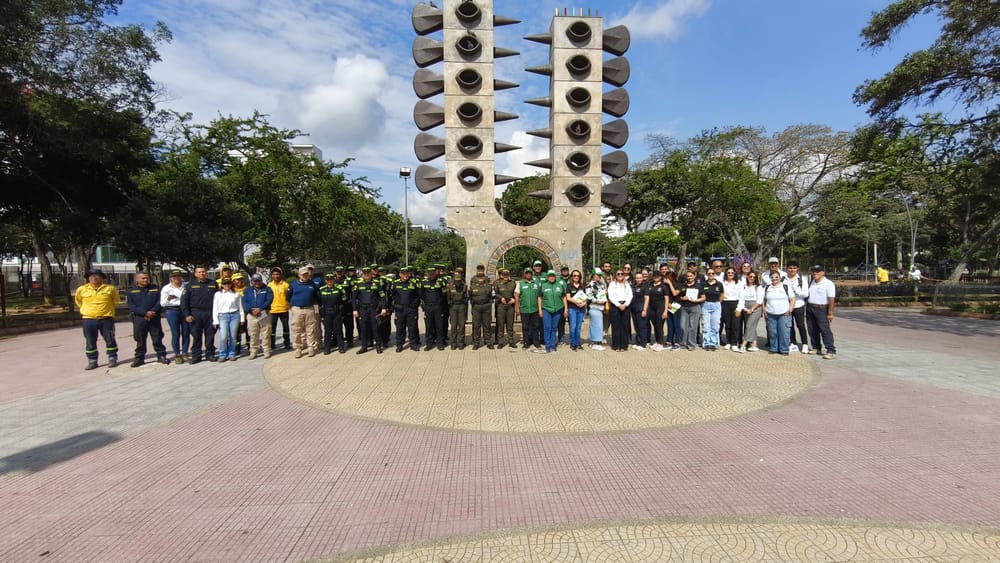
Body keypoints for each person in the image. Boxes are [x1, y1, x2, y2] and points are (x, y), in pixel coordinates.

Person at [75, 268, 120, 370]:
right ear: (88, 278)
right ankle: (92, 361)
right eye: (91, 276)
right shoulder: (81, 289)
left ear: (101, 277)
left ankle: (112, 358)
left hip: (106, 319)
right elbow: (79, 302)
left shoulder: (110, 289)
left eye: (96, 275)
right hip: (88, 320)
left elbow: (116, 301)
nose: (94, 278)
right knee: (90, 341)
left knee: (110, 339)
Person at [125, 271, 168, 367]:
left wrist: (153, 312)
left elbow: (160, 302)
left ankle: (161, 356)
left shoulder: (155, 288)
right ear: (137, 279)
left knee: (157, 338)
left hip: (154, 317)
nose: (145, 280)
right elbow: (132, 306)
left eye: (147, 278)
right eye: (143, 278)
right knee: (140, 339)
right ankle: (139, 359)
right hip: (140, 318)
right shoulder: (130, 290)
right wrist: (145, 313)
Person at [181, 266, 218, 363]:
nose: (202, 273)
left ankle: (210, 354)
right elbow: (184, 302)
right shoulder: (189, 285)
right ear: (195, 274)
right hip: (195, 314)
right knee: (196, 335)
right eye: (200, 272)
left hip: (210, 313)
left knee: (210, 335)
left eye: (204, 271)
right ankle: (196, 356)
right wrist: (187, 315)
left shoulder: (213, 284)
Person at [288, 266, 320, 358]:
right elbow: (288, 297)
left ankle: (311, 347)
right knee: (297, 329)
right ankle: (298, 348)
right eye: (303, 274)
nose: (305, 276)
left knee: (310, 329)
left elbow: (316, 296)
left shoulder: (312, 284)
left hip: (309, 308)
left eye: (307, 274)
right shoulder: (293, 285)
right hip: (297, 309)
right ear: (299, 275)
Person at [353, 267, 387, 354]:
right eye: (365, 273)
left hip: (373, 309)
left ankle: (378, 346)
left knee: (376, 328)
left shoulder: (376, 283)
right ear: (363, 274)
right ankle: (364, 347)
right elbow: (354, 298)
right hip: (363, 310)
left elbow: (382, 296)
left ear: (371, 274)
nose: (366, 275)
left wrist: (383, 308)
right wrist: (355, 310)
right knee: (363, 328)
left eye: (368, 273)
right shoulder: (358, 284)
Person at [807, 265, 837, 359]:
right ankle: (816, 347)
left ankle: (830, 350)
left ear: (823, 272)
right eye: (814, 271)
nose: (815, 273)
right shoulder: (812, 282)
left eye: (818, 271)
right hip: (811, 307)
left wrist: (830, 313)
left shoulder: (828, 283)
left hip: (822, 309)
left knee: (824, 330)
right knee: (812, 329)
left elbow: (831, 299)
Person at [160, 270, 190, 364]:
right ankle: (177, 354)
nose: (177, 278)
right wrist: (168, 298)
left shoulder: (186, 286)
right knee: (175, 333)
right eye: (174, 276)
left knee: (186, 332)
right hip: (172, 310)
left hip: (185, 310)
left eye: (178, 276)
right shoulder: (166, 288)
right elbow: (162, 303)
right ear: (171, 278)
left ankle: (185, 353)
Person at [763, 270, 795, 355]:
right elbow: (764, 300)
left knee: (784, 333)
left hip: (784, 314)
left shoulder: (785, 286)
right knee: (772, 332)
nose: (774, 279)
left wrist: (790, 309)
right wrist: (764, 309)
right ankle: (774, 348)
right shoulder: (767, 287)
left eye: (776, 277)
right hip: (771, 314)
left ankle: (784, 349)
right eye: (772, 277)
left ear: (780, 278)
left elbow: (792, 299)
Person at [242, 273, 274, 359]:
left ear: (261, 281)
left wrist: (260, 309)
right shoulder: (247, 290)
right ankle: (254, 351)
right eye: (254, 281)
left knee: (266, 333)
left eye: (258, 281)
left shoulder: (267, 289)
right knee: (253, 334)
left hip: (263, 313)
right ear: (252, 281)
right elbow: (244, 302)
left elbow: (269, 300)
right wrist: (251, 310)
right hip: (251, 315)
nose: (257, 283)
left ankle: (266, 350)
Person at [212, 277, 244, 361]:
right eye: (225, 283)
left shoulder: (236, 294)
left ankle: (231, 353)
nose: (227, 285)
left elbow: (240, 307)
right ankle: (222, 354)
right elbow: (215, 308)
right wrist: (215, 320)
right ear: (222, 285)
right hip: (222, 316)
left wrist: (242, 318)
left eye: (229, 283)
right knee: (223, 336)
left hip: (235, 315)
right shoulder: (218, 294)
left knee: (233, 336)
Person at [391, 266, 422, 352]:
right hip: (400, 309)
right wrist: (395, 304)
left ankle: (413, 344)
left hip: (411, 309)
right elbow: (392, 295)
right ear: (400, 274)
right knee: (400, 328)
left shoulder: (414, 283)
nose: (405, 275)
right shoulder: (395, 283)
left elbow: (418, 295)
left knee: (412, 327)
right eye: (403, 274)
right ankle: (399, 345)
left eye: (407, 273)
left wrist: (415, 304)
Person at [318, 272, 347, 354]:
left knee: (338, 330)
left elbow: (344, 299)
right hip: (327, 313)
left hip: (337, 312)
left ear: (334, 280)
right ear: (326, 281)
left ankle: (341, 347)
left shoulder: (339, 288)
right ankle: (327, 348)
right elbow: (319, 301)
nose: (329, 281)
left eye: (331, 279)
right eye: (328, 280)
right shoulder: (321, 289)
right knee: (327, 331)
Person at [538, 270, 567, 353]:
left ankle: (552, 345)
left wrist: (565, 309)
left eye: (553, 276)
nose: (551, 277)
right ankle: (547, 345)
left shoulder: (560, 285)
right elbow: (539, 298)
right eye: (550, 276)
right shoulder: (543, 286)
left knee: (554, 328)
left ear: (555, 276)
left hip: (557, 310)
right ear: (547, 277)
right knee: (547, 327)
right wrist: (540, 309)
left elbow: (564, 297)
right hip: (546, 309)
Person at [785, 262, 810, 353]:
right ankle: (793, 343)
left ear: (797, 269)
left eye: (794, 268)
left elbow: (806, 294)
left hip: (799, 305)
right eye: (790, 268)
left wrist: (796, 290)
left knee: (800, 325)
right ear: (787, 268)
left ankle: (805, 344)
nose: (792, 270)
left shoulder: (802, 279)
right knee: (789, 325)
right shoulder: (784, 278)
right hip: (787, 306)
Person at [736, 271, 764, 352]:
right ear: (747, 277)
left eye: (753, 277)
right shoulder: (744, 287)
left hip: (755, 307)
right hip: (746, 306)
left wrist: (752, 309)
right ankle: (754, 344)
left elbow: (759, 301)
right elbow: (741, 298)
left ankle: (743, 345)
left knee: (749, 326)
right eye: (750, 276)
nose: (751, 278)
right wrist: (744, 308)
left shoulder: (758, 287)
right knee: (752, 326)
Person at [606, 269, 633, 351]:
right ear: (615, 275)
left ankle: (624, 345)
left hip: (625, 306)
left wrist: (625, 304)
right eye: (618, 274)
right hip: (615, 306)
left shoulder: (627, 284)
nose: (620, 275)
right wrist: (618, 305)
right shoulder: (612, 284)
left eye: (622, 274)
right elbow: (610, 296)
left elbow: (630, 295)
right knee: (616, 326)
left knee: (625, 326)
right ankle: (616, 345)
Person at [515, 267, 541, 349]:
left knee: (536, 326)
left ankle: (536, 342)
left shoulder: (537, 283)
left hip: (535, 309)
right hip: (524, 309)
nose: (528, 274)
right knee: (525, 326)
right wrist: (517, 308)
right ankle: (526, 342)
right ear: (524, 274)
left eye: (530, 273)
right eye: (527, 273)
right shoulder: (520, 283)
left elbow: (540, 297)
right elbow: (517, 297)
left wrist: (540, 308)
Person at [678, 271, 705, 351]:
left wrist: (696, 300)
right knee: (683, 326)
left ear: (694, 276)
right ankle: (683, 343)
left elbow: (703, 297)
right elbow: (679, 296)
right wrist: (682, 298)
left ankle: (691, 344)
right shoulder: (683, 285)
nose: (689, 277)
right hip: (684, 308)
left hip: (695, 307)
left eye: (691, 276)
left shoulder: (698, 286)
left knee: (692, 327)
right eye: (688, 276)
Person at [469, 266, 494, 350]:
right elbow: (470, 296)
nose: (480, 278)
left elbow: (491, 295)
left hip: (486, 307)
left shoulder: (488, 286)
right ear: (476, 277)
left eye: (481, 277)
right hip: (476, 307)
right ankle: (476, 342)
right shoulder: (472, 286)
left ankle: (488, 342)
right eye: (479, 277)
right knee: (476, 326)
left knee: (487, 325)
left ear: (484, 277)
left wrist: (489, 303)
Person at [267, 268, 291, 351]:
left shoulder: (285, 285)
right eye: (274, 274)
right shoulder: (269, 285)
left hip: (284, 309)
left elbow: (289, 297)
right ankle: (272, 344)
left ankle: (287, 343)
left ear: (280, 275)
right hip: (273, 310)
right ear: (271, 275)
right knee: (272, 329)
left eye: (277, 274)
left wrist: (289, 306)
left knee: (286, 328)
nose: (276, 276)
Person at [645, 271, 669, 351]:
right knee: (655, 325)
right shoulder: (650, 285)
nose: (656, 277)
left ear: (660, 277)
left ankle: (661, 343)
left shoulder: (664, 287)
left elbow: (666, 299)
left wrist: (665, 311)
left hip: (661, 307)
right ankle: (657, 341)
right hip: (652, 308)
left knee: (659, 325)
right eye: (654, 276)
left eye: (657, 276)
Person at [493, 268, 517, 348]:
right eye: (504, 275)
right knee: (500, 325)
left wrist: (514, 299)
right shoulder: (497, 283)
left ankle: (511, 341)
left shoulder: (513, 283)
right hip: (501, 306)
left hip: (510, 306)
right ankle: (500, 342)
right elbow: (495, 294)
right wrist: (501, 298)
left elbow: (516, 294)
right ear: (502, 275)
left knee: (510, 325)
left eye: (507, 275)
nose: (506, 276)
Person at [700, 269, 724, 351]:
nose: (711, 275)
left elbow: (722, 295)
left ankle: (713, 343)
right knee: (706, 325)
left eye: (712, 273)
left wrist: (718, 303)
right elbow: (702, 295)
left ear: (714, 274)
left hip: (716, 305)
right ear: (707, 274)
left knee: (715, 325)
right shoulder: (703, 284)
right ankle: (706, 343)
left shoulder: (719, 284)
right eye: (709, 273)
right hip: (706, 305)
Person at [445, 267, 468, 349]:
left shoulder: (464, 284)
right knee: (454, 325)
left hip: (461, 306)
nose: (459, 274)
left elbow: (466, 295)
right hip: (453, 306)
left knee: (461, 325)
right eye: (457, 272)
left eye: (460, 272)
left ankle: (461, 343)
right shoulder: (450, 284)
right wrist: (449, 301)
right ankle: (453, 343)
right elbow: (447, 295)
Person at [565, 269, 588, 351]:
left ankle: (578, 343)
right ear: (572, 277)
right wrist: (577, 302)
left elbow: (585, 298)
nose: (576, 277)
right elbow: (568, 297)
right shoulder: (569, 286)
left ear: (580, 277)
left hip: (581, 309)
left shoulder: (582, 286)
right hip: (572, 309)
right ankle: (573, 344)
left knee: (578, 327)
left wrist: (584, 303)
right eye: (574, 275)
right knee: (573, 327)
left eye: (578, 275)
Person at [585, 268, 608, 351]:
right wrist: (596, 301)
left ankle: (592, 342)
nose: (599, 276)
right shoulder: (590, 285)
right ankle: (595, 343)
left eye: (600, 275)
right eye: (597, 275)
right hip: (594, 307)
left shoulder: (601, 285)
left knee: (595, 325)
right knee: (597, 326)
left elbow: (603, 295)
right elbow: (588, 296)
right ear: (593, 275)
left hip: (601, 307)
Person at [720, 267, 742, 350]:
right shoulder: (722, 283)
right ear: (726, 274)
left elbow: (741, 297)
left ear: (735, 274)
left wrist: (739, 308)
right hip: (725, 304)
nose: (730, 274)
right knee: (728, 324)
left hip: (735, 303)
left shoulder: (738, 283)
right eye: (728, 272)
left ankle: (734, 343)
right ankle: (728, 342)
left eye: (732, 273)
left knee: (735, 325)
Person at [629, 271, 649, 350]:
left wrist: (644, 310)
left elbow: (647, 298)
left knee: (642, 326)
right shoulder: (633, 286)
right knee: (636, 326)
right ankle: (638, 342)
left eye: (640, 278)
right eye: (637, 278)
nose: (638, 279)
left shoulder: (645, 287)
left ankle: (642, 344)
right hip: (633, 309)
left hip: (641, 308)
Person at [663, 269, 682, 350]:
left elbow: (674, 293)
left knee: (676, 324)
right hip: (668, 306)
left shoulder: (679, 285)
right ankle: (669, 341)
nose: (667, 279)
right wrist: (667, 305)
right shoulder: (665, 286)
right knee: (670, 325)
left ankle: (677, 341)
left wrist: (670, 283)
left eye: (669, 278)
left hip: (676, 306)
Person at [230, 272, 248, 355]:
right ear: (233, 281)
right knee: (236, 333)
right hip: (235, 315)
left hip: (247, 314)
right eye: (237, 280)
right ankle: (237, 348)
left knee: (249, 332)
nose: (240, 281)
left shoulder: (247, 289)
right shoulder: (230, 291)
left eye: (241, 279)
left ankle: (250, 347)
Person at [342, 266, 357, 348]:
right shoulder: (333, 280)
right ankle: (337, 341)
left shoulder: (350, 280)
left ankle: (350, 341)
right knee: (337, 326)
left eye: (353, 271)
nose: (339, 273)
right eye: (338, 272)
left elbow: (355, 289)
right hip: (338, 305)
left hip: (348, 304)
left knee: (349, 325)